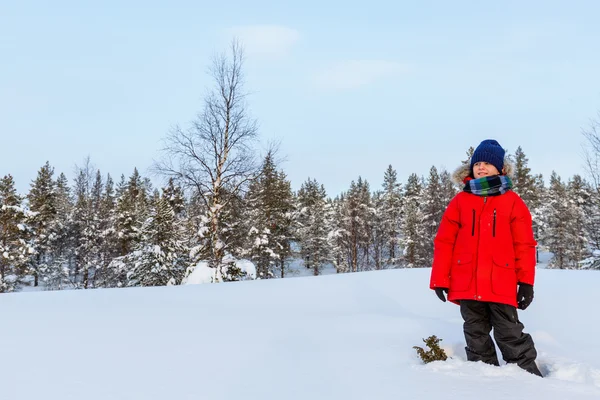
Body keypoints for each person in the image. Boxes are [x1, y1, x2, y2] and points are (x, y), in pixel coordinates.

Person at [429, 139, 542, 377]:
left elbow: (524, 245)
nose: (481, 167)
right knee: (475, 333)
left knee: (509, 332)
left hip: (501, 281)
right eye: (477, 163)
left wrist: (526, 282)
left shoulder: (512, 202)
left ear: (500, 168)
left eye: (487, 163)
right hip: (466, 282)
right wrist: (440, 279)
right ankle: (484, 380)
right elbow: (444, 242)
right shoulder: (460, 201)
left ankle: (529, 379)